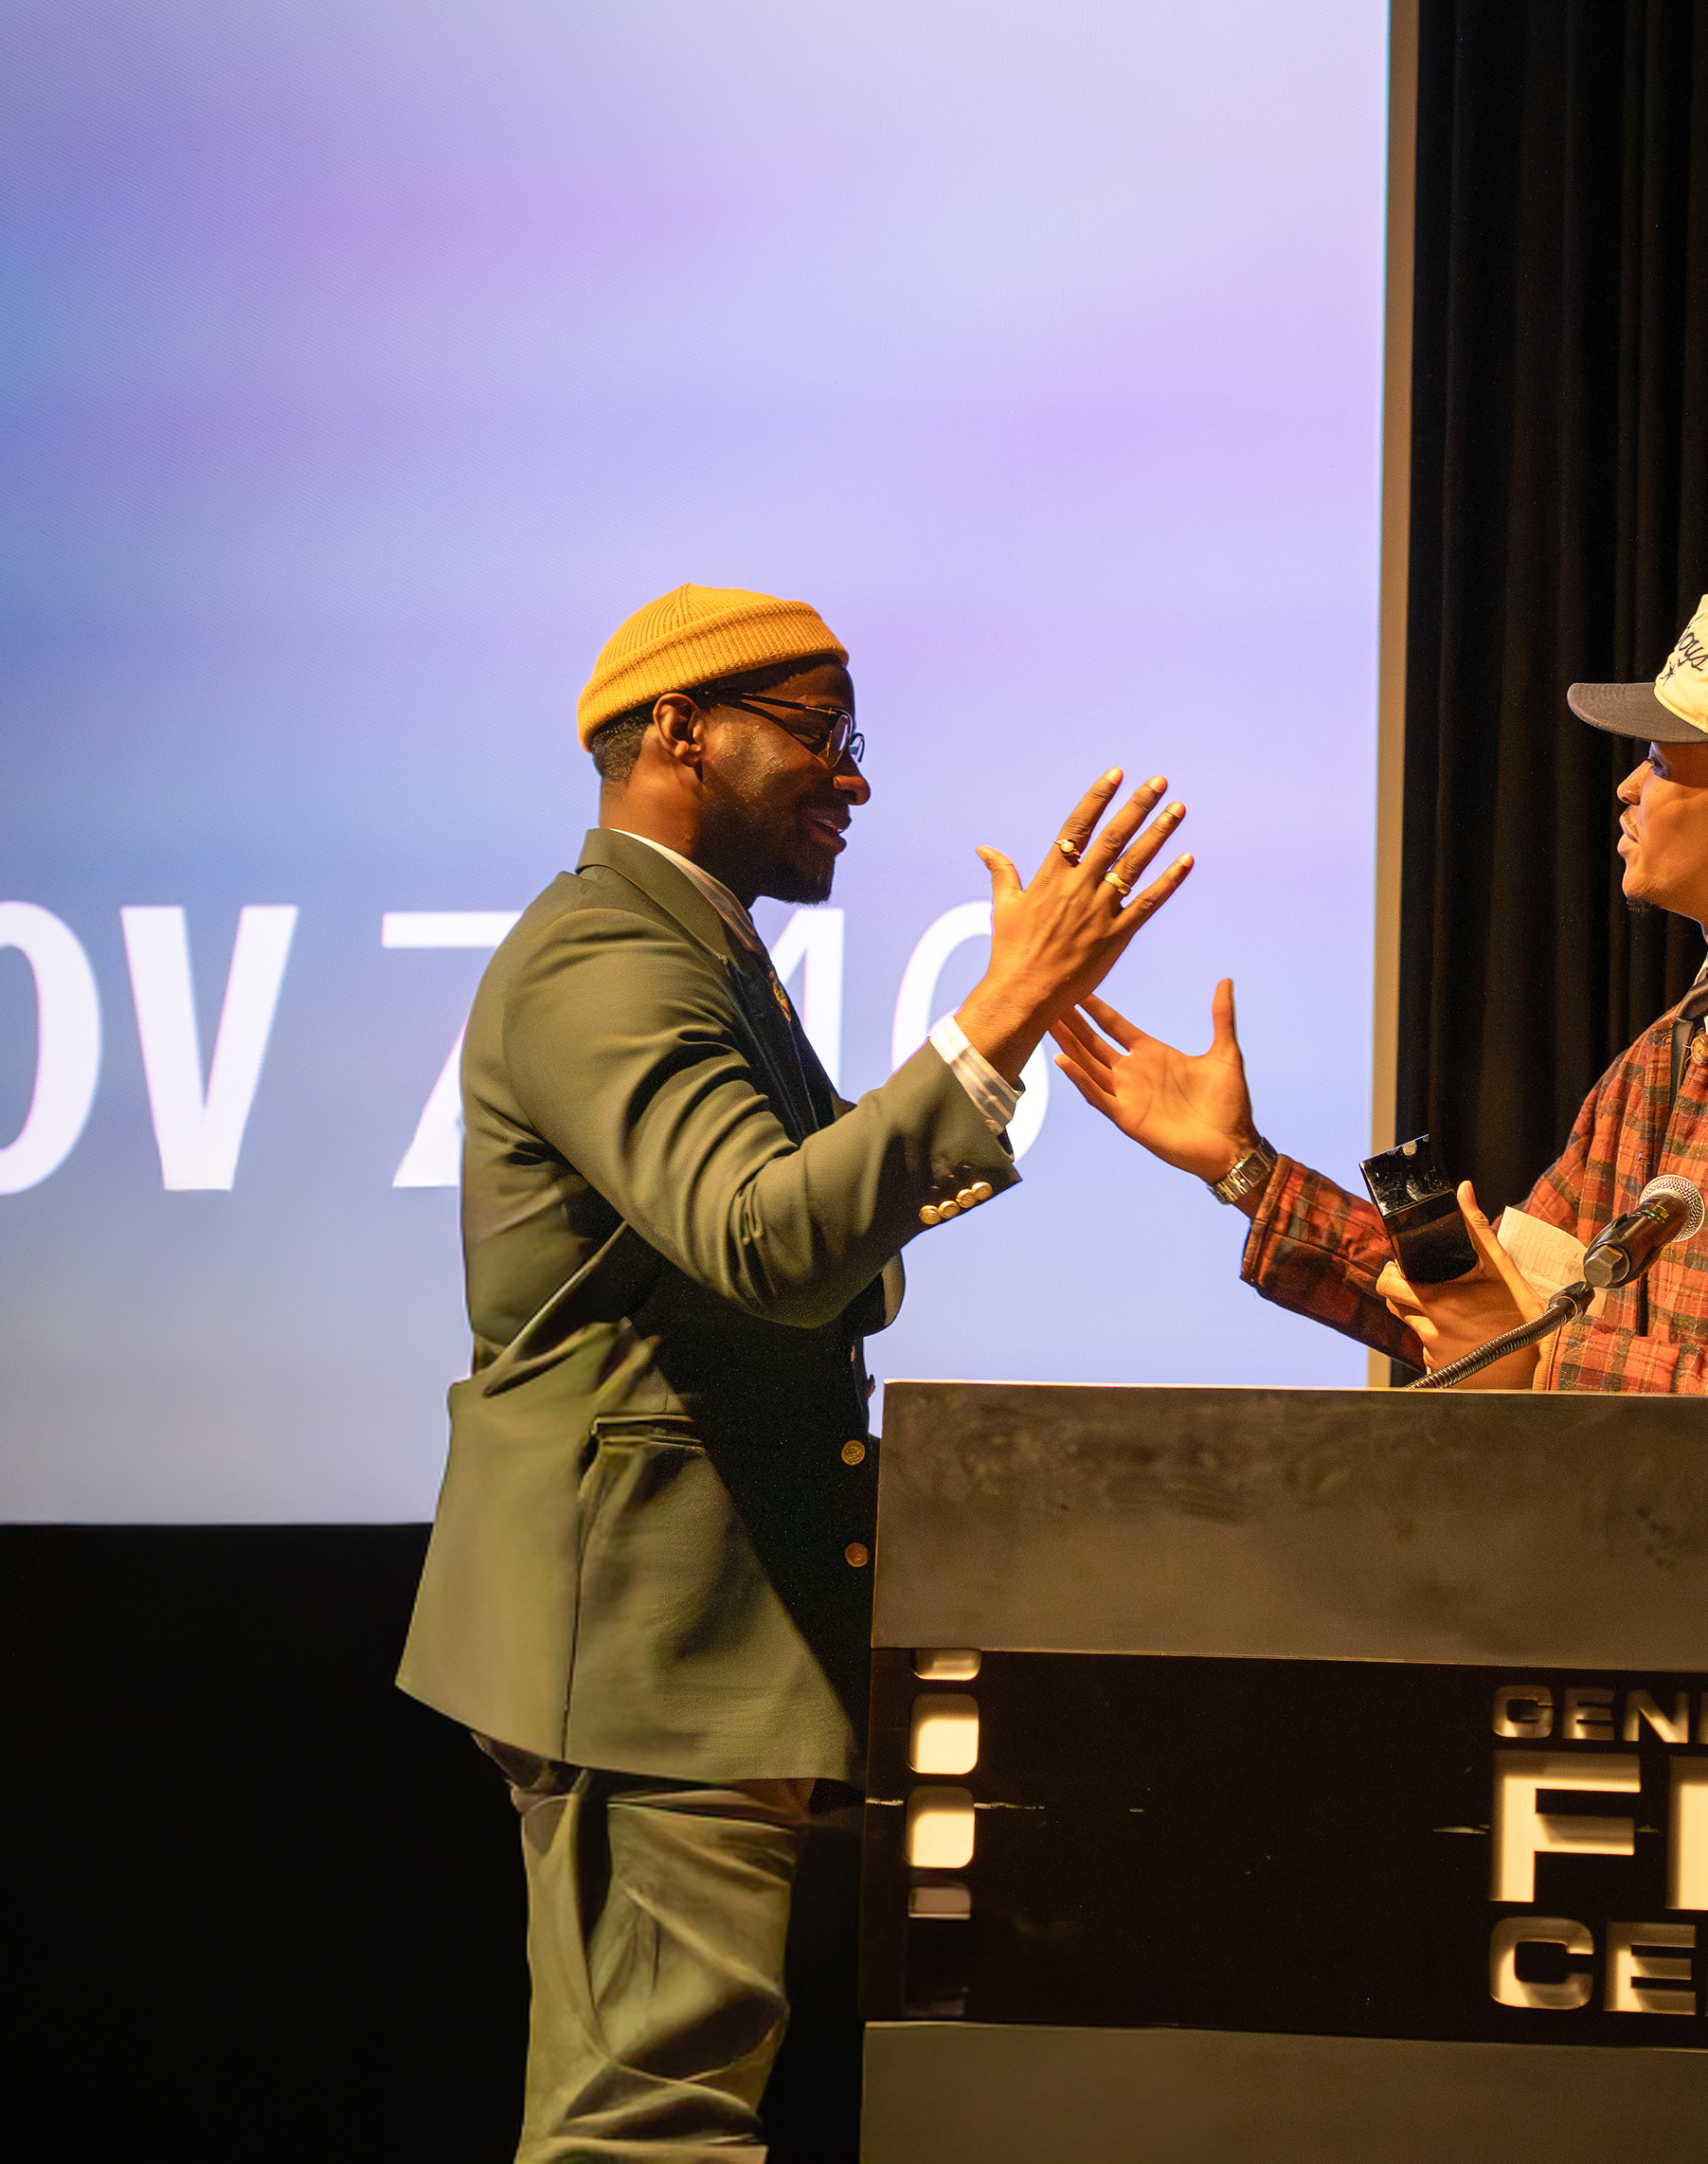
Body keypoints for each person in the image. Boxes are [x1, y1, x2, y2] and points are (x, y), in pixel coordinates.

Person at [398, 584, 1194, 2161]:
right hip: (645, 1640)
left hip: (679, 1631)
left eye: (855, 741)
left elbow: (825, 1257)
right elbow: (769, 1239)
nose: (854, 779)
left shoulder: (699, 948)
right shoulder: (608, 957)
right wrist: (1002, 1010)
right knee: (650, 2126)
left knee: (659, 2109)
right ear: (678, 731)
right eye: (822, 735)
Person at [1053, 590, 1708, 1397]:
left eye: (1662, 762)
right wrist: (1243, 1168)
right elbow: (1487, 1321)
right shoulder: (1665, 1056)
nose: (1628, 788)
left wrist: (1553, 1361)